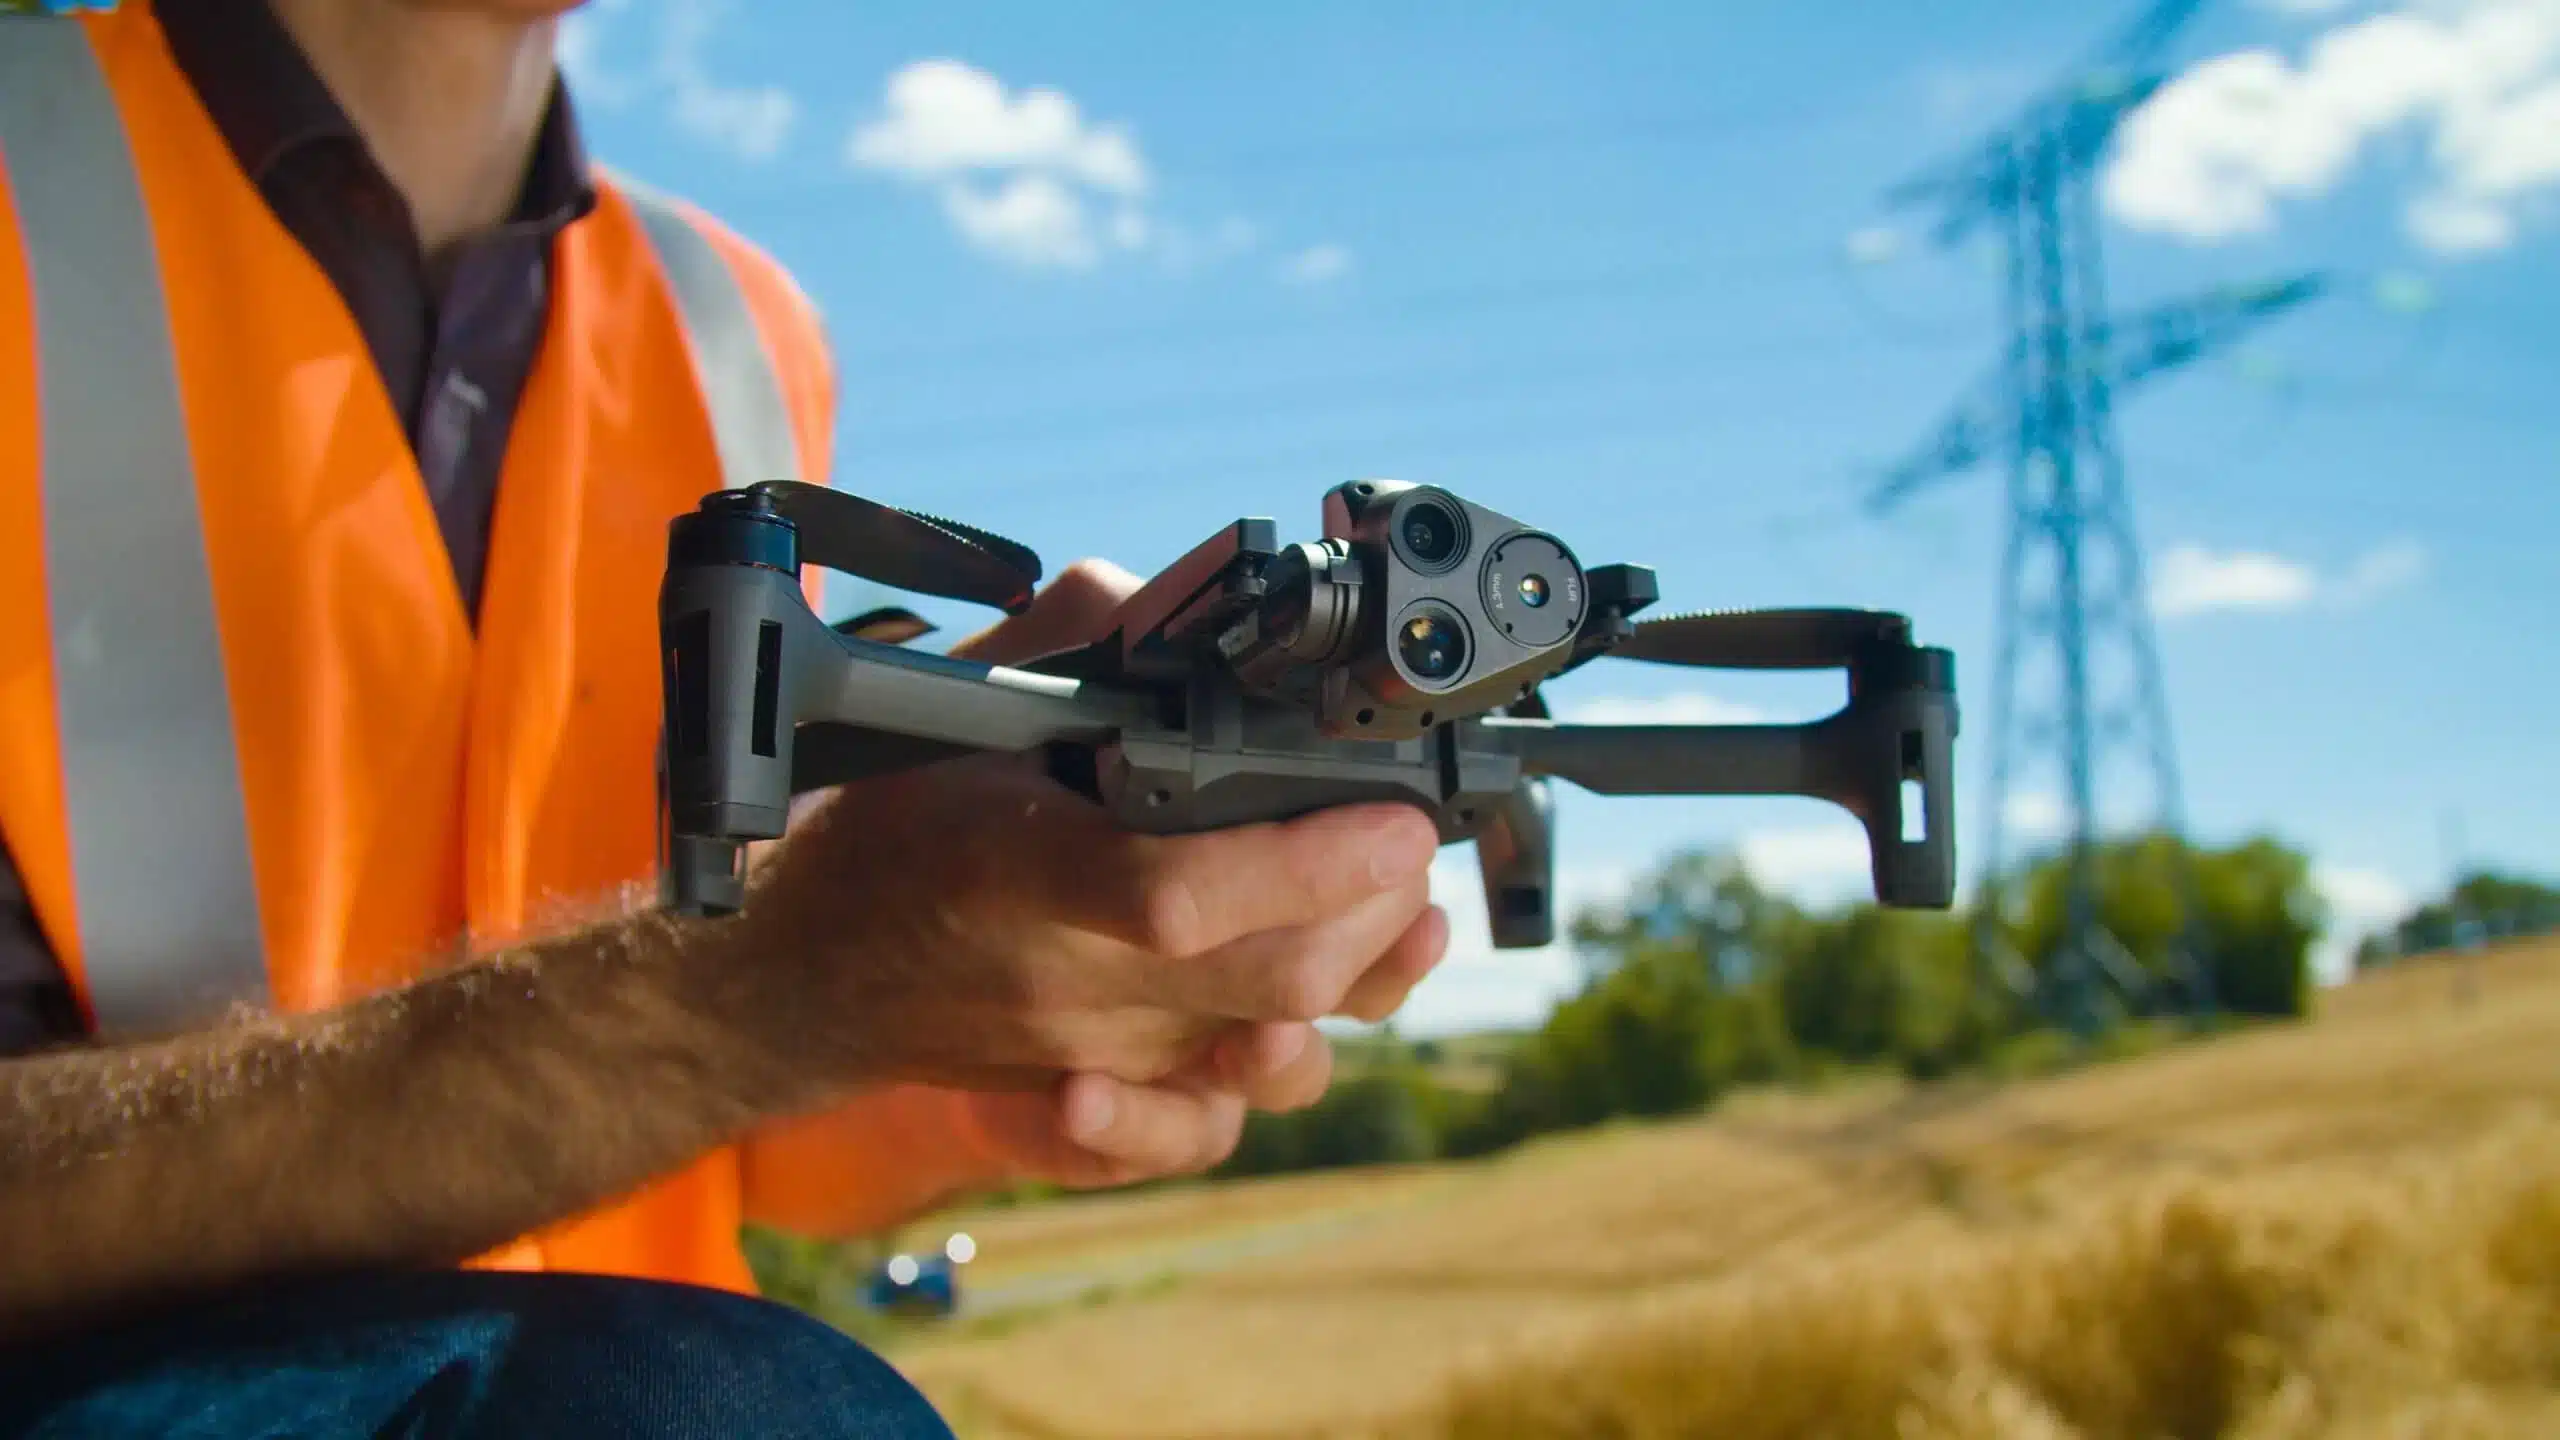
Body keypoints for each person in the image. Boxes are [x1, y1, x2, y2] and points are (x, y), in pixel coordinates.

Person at [0, 2, 1451, 1434]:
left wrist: (979, 1044)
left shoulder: (738, 330)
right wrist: (759, 991)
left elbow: (731, 1144)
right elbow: (703, 1017)